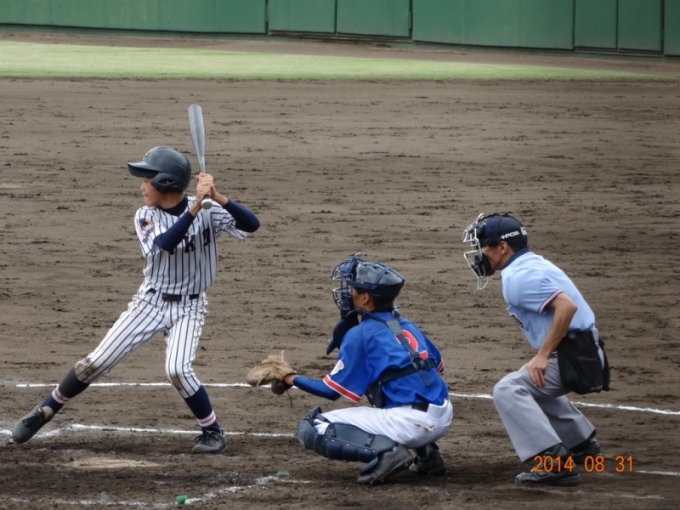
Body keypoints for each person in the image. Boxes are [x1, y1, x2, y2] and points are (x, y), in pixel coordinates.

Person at [12, 146, 259, 453]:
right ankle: (46, 409)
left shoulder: (210, 210)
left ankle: (212, 432)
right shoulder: (145, 215)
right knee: (95, 363)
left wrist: (218, 197)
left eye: (146, 179)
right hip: (149, 304)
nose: (142, 186)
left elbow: (252, 224)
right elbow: (166, 243)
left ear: (166, 183)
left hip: (190, 306)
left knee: (178, 370)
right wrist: (195, 207)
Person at [461, 213, 606, 486]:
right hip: (585, 352)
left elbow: (567, 307)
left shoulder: (518, 278)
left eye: (483, 247)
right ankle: (581, 443)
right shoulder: (532, 263)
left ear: (502, 247)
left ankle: (554, 461)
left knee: (508, 389)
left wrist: (543, 355)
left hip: (575, 357)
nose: (480, 254)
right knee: (531, 378)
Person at [282, 254, 452, 485]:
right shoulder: (406, 325)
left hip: (410, 424)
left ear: (365, 297)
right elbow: (438, 364)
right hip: (442, 414)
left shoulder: (361, 334)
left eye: (352, 288)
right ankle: (428, 455)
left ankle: (388, 452)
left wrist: (290, 378)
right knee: (394, 379)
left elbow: (331, 391)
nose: (346, 292)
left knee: (314, 426)